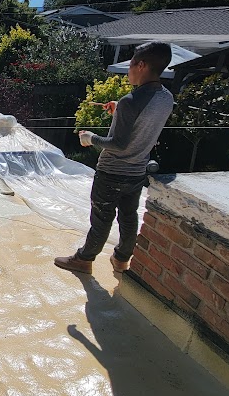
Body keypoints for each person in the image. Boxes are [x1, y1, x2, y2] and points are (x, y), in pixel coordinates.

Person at [55, 41, 174, 275]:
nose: (128, 71)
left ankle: (84, 259)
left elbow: (118, 145)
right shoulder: (166, 98)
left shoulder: (132, 101)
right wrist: (119, 109)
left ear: (140, 65)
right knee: (129, 218)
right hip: (137, 172)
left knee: (101, 218)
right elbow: (144, 119)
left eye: (130, 65)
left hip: (112, 173)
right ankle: (121, 260)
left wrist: (90, 138)